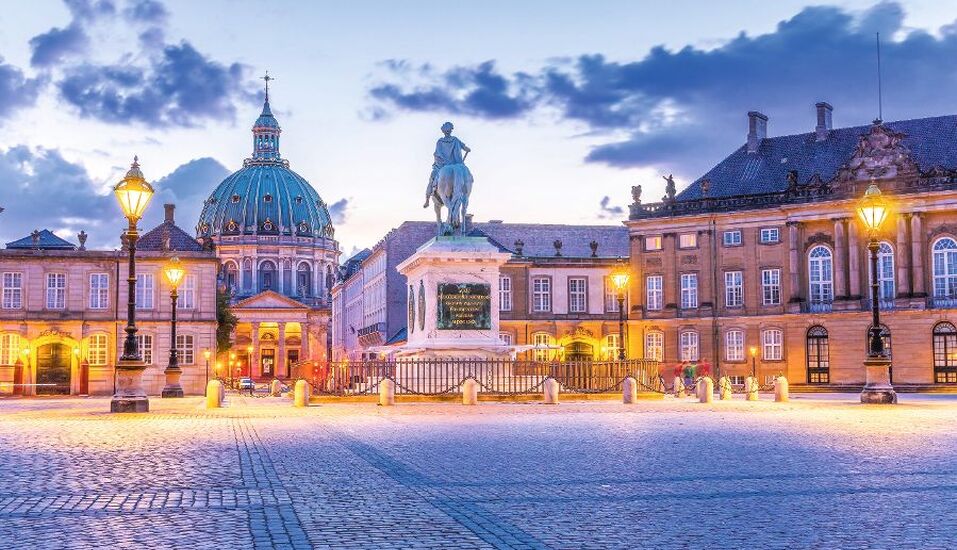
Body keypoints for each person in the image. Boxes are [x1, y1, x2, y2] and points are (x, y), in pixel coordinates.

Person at [424, 121, 471, 207]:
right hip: (456, 164)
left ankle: (427, 200)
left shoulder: (440, 142)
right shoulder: (455, 140)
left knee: (431, 179)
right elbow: (465, 148)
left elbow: (437, 154)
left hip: (442, 165)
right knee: (466, 176)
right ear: (450, 130)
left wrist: (442, 162)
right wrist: (467, 149)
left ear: (444, 131)